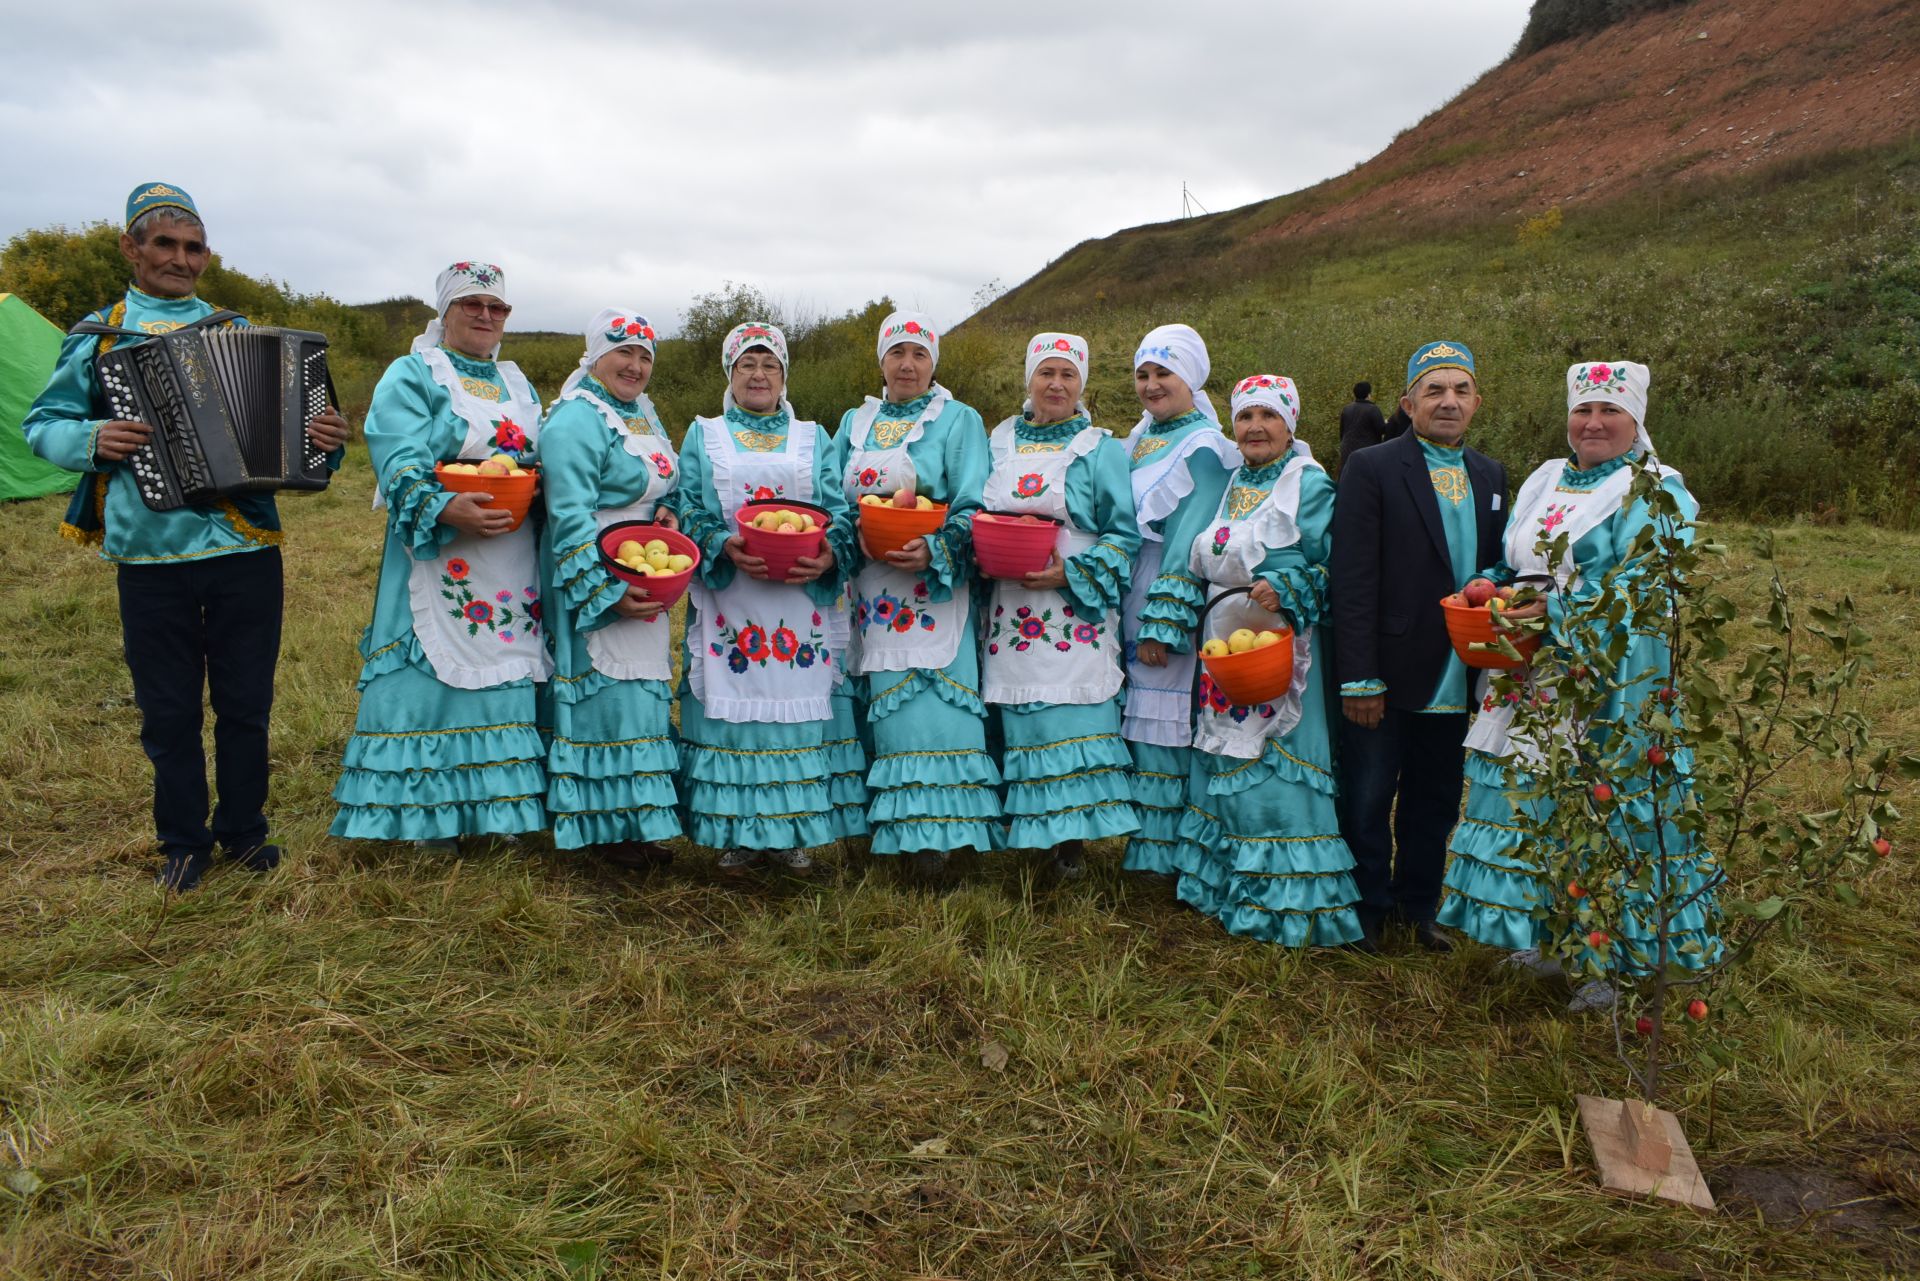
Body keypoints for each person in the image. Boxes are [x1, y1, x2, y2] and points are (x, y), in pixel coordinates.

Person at [23, 182, 348, 891]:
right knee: (168, 709)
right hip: (148, 556)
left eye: (192, 247)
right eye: (163, 244)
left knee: (246, 703)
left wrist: (325, 437)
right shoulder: (98, 336)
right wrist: (91, 435)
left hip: (246, 553)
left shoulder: (241, 335)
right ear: (130, 249)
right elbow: (40, 424)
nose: (179, 258)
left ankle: (245, 832)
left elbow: (312, 447)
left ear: (206, 256)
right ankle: (183, 842)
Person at [1435, 361, 1721, 1009]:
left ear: (1636, 420)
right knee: (1533, 801)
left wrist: (1555, 616)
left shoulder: (1656, 490)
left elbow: (1646, 590)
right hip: (1527, 661)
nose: (1592, 422)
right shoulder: (1546, 477)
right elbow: (1516, 560)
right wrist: (1495, 593)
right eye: (1582, 409)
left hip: (1606, 679)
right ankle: (1551, 937)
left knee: (1600, 805)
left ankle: (1611, 965)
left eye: (1609, 411)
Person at [330, 261, 551, 848]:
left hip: (510, 550)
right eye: (471, 304)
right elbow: (396, 450)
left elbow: (539, 452)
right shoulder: (412, 373)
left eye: (496, 307)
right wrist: (441, 506)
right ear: (445, 311)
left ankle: (497, 806)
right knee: (436, 678)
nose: (485, 315)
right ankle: (427, 814)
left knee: (505, 663)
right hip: (443, 548)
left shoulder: (518, 381)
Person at [1141, 375, 1364, 944]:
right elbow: (1191, 560)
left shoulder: (1309, 486)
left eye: (1269, 416)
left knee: (1276, 767)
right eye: (1245, 417)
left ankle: (1286, 909)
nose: (1256, 427)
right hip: (1222, 647)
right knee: (1223, 763)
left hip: (1285, 650)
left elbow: (1336, 567)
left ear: (1292, 424)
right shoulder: (1225, 481)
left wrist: (1285, 587)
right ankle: (1228, 891)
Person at [1330, 341, 1507, 952]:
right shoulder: (1373, 468)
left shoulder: (1490, 474)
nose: (1448, 401)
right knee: (1371, 793)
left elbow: (1495, 567)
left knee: (1436, 795)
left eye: (1460, 390)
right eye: (1434, 390)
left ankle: (1419, 904)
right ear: (1407, 403)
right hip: (1387, 670)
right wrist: (1358, 676)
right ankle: (1366, 907)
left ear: (1477, 402)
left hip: (1461, 670)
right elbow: (1351, 579)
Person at [672, 321, 860, 872]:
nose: (759, 375)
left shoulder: (813, 437)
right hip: (732, 594)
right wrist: (722, 543)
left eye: (770, 365)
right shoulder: (703, 434)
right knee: (732, 712)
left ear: (784, 376)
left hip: (798, 598)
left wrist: (829, 553)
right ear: (730, 373)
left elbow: (839, 509)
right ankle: (737, 832)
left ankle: (790, 832)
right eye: (747, 364)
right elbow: (688, 505)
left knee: (792, 712)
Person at [831, 311, 1001, 876]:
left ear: (934, 364)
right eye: (897, 353)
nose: (907, 364)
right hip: (872, 590)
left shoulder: (959, 420)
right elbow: (835, 497)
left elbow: (974, 501)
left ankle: (944, 843)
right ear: (881, 360)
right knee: (882, 704)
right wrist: (845, 539)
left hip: (932, 587)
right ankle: (893, 831)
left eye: (919, 355)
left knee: (935, 710)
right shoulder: (856, 420)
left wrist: (937, 548)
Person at [979, 333, 1141, 877]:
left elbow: (1123, 535)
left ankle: (1070, 845)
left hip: (1072, 607)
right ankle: (1032, 835)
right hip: (1010, 601)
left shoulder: (1101, 449)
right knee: (1025, 716)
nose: (1056, 384)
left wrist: (1070, 572)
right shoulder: (999, 440)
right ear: (1029, 379)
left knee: (1070, 716)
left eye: (1068, 375)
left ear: (1082, 384)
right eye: (1046, 372)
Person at [537, 309, 682, 868]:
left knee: (641, 694)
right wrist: (602, 591)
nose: (636, 365)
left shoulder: (641, 415)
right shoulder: (576, 418)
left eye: (646, 356)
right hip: (601, 569)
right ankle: (601, 832)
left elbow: (668, 480)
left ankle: (634, 824)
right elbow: (567, 513)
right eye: (624, 352)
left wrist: (669, 508)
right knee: (604, 692)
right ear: (595, 355)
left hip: (646, 563)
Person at [1118, 324, 1239, 878]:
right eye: (1143, 374)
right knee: (1136, 718)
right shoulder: (1141, 434)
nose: (1150, 385)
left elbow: (1190, 539)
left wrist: (1161, 625)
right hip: (1129, 586)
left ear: (1189, 378)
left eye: (1163, 373)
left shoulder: (1204, 447)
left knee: (1162, 720)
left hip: (1166, 592)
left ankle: (1163, 855)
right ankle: (1142, 842)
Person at [1337, 381, 1390, 472]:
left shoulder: (1346, 409)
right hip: (1367, 452)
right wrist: (1388, 423)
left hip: (1347, 451)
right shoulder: (1373, 409)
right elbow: (1381, 429)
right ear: (1369, 394)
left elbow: (1342, 432)